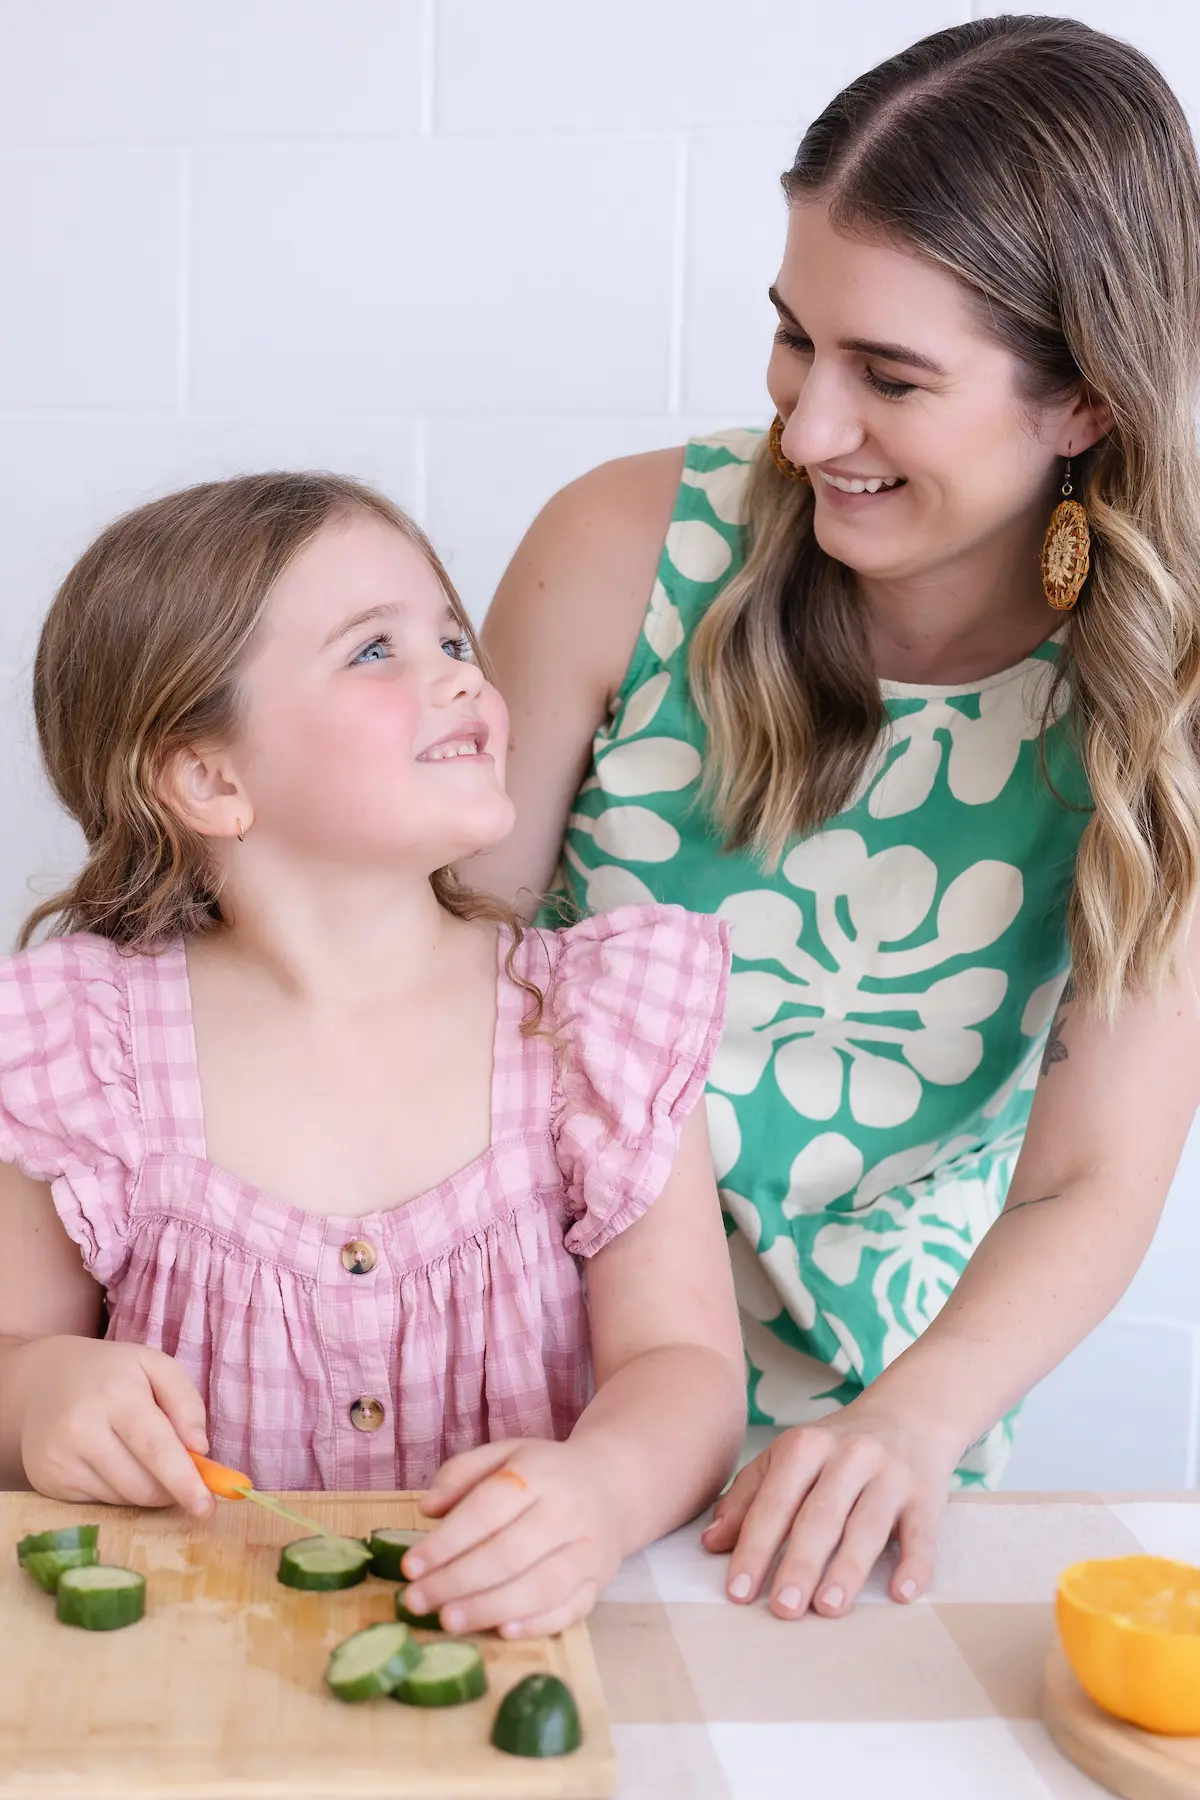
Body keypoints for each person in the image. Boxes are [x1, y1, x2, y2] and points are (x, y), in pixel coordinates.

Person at [468, 14, 1200, 1621]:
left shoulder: (1164, 694)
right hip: (525, 1385)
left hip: (872, 1435)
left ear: (1083, 401)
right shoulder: (618, 545)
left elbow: (1094, 1180)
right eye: (796, 338)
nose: (805, 432)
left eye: (894, 376)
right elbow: (431, 976)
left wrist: (907, 1427)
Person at [0, 472, 745, 1639]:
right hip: (185, 1663)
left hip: (508, 1646)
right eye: (373, 653)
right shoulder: (85, 1048)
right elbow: (9, 1348)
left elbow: (686, 1367)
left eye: (451, 636)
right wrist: (34, 1389)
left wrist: (603, 1492)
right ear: (209, 779)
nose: (463, 672)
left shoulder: (597, 1024)